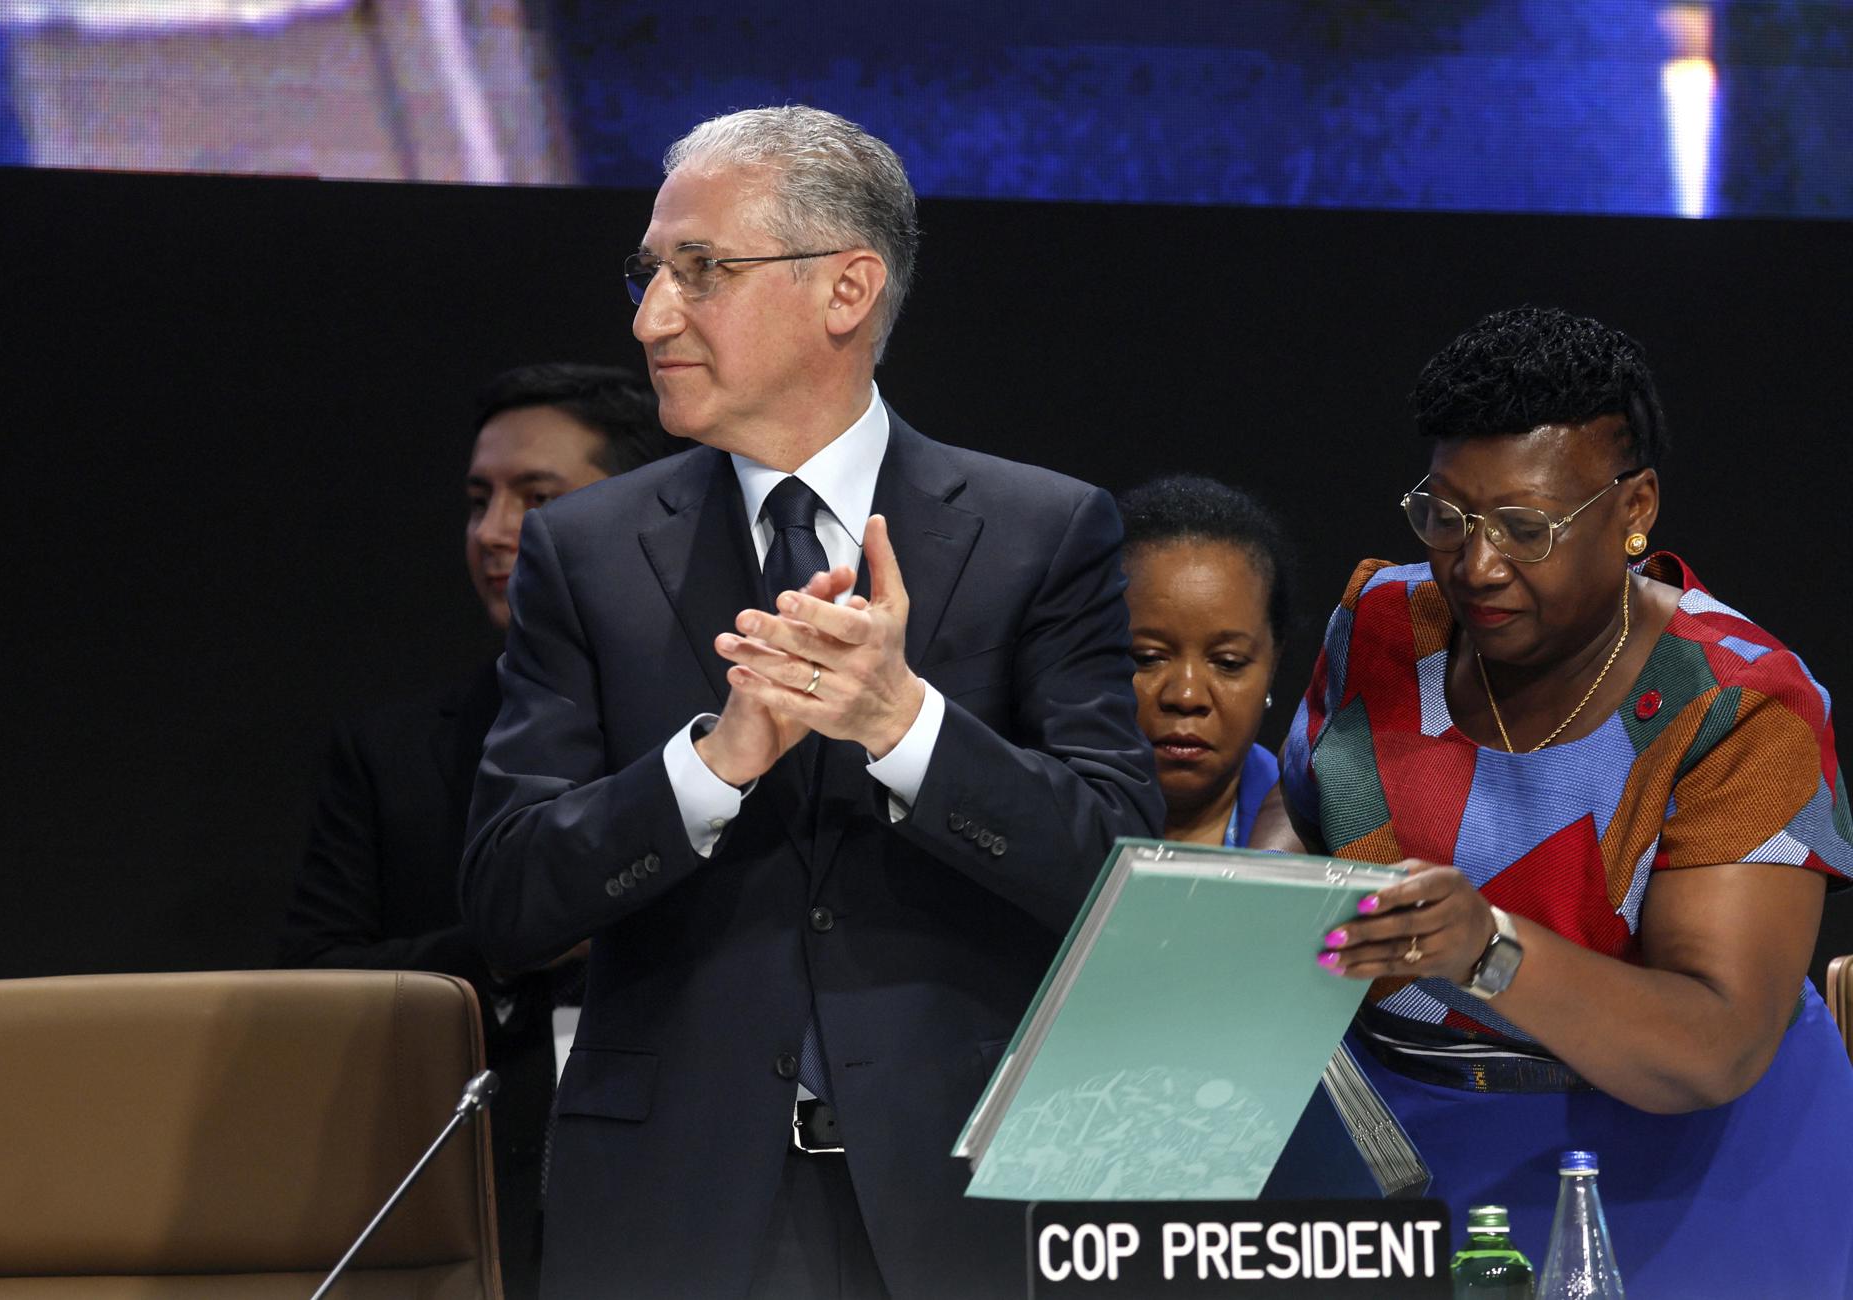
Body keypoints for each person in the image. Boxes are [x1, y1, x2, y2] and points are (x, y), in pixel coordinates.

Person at [459, 106, 1161, 1300]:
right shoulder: (587, 549)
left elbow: (1120, 869)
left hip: (960, 1202)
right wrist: (709, 767)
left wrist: (907, 727)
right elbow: (507, 898)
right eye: (648, 273)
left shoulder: (1042, 532)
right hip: (670, 1210)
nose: (651, 317)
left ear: (847, 290)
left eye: (701, 272)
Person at [1255, 306, 1853, 1297]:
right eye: (1446, 517)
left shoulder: (1738, 702)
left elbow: (1713, 1043)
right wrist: (1260, 899)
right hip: (1410, 1161)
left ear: (1634, 508)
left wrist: (1485, 950)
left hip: (1689, 1185)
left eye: (1526, 528)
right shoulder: (1384, 622)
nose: (1477, 565)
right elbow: (1305, 807)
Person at [280, 362, 673, 1300]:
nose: (494, 534)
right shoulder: (395, 753)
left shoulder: (743, 738)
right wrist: (513, 938)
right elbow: (313, 982)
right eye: (479, 499)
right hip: (473, 1196)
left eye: (536, 498)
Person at [1118, 475, 1289, 846]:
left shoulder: (1327, 842)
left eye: (1228, 662)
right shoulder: (1022, 821)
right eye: (1147, 658)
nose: (1187, 696)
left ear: (1273, 665)